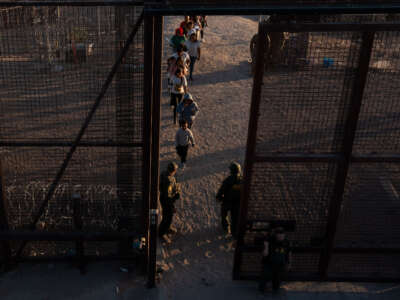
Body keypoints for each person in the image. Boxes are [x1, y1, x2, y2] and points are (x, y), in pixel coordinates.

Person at [258, 227, 291, 293]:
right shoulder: (270, 240)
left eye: (282, 235)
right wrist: (266, 246)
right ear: (276, 235)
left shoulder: (286, 242)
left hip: (279, 264)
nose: (280, 237)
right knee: (264, 281)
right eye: (279, 235)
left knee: (276, 284)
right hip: (269, 264)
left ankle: (274, 287)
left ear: (284, 235)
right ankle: (263, 288)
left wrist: (289, 263)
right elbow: (265, 254)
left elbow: (288, 253)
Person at [216, 162, 242, 238]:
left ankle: (226, 227)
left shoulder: (228, 180)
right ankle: (235, 233)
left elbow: (222, 190)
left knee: (224, 214)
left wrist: (219, 197)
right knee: (235, 218)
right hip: (238, 203)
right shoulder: (242, 179)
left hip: (228, 202)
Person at [159, 162, 181, 238]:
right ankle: (162, 233)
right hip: (167, 200)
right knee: (168, 218)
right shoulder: (169, 181)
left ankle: (167, 228)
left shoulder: (164, 173)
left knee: (166, 216)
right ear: (173, 170)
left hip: (164, 198)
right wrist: (172, 205)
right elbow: (167, 196)